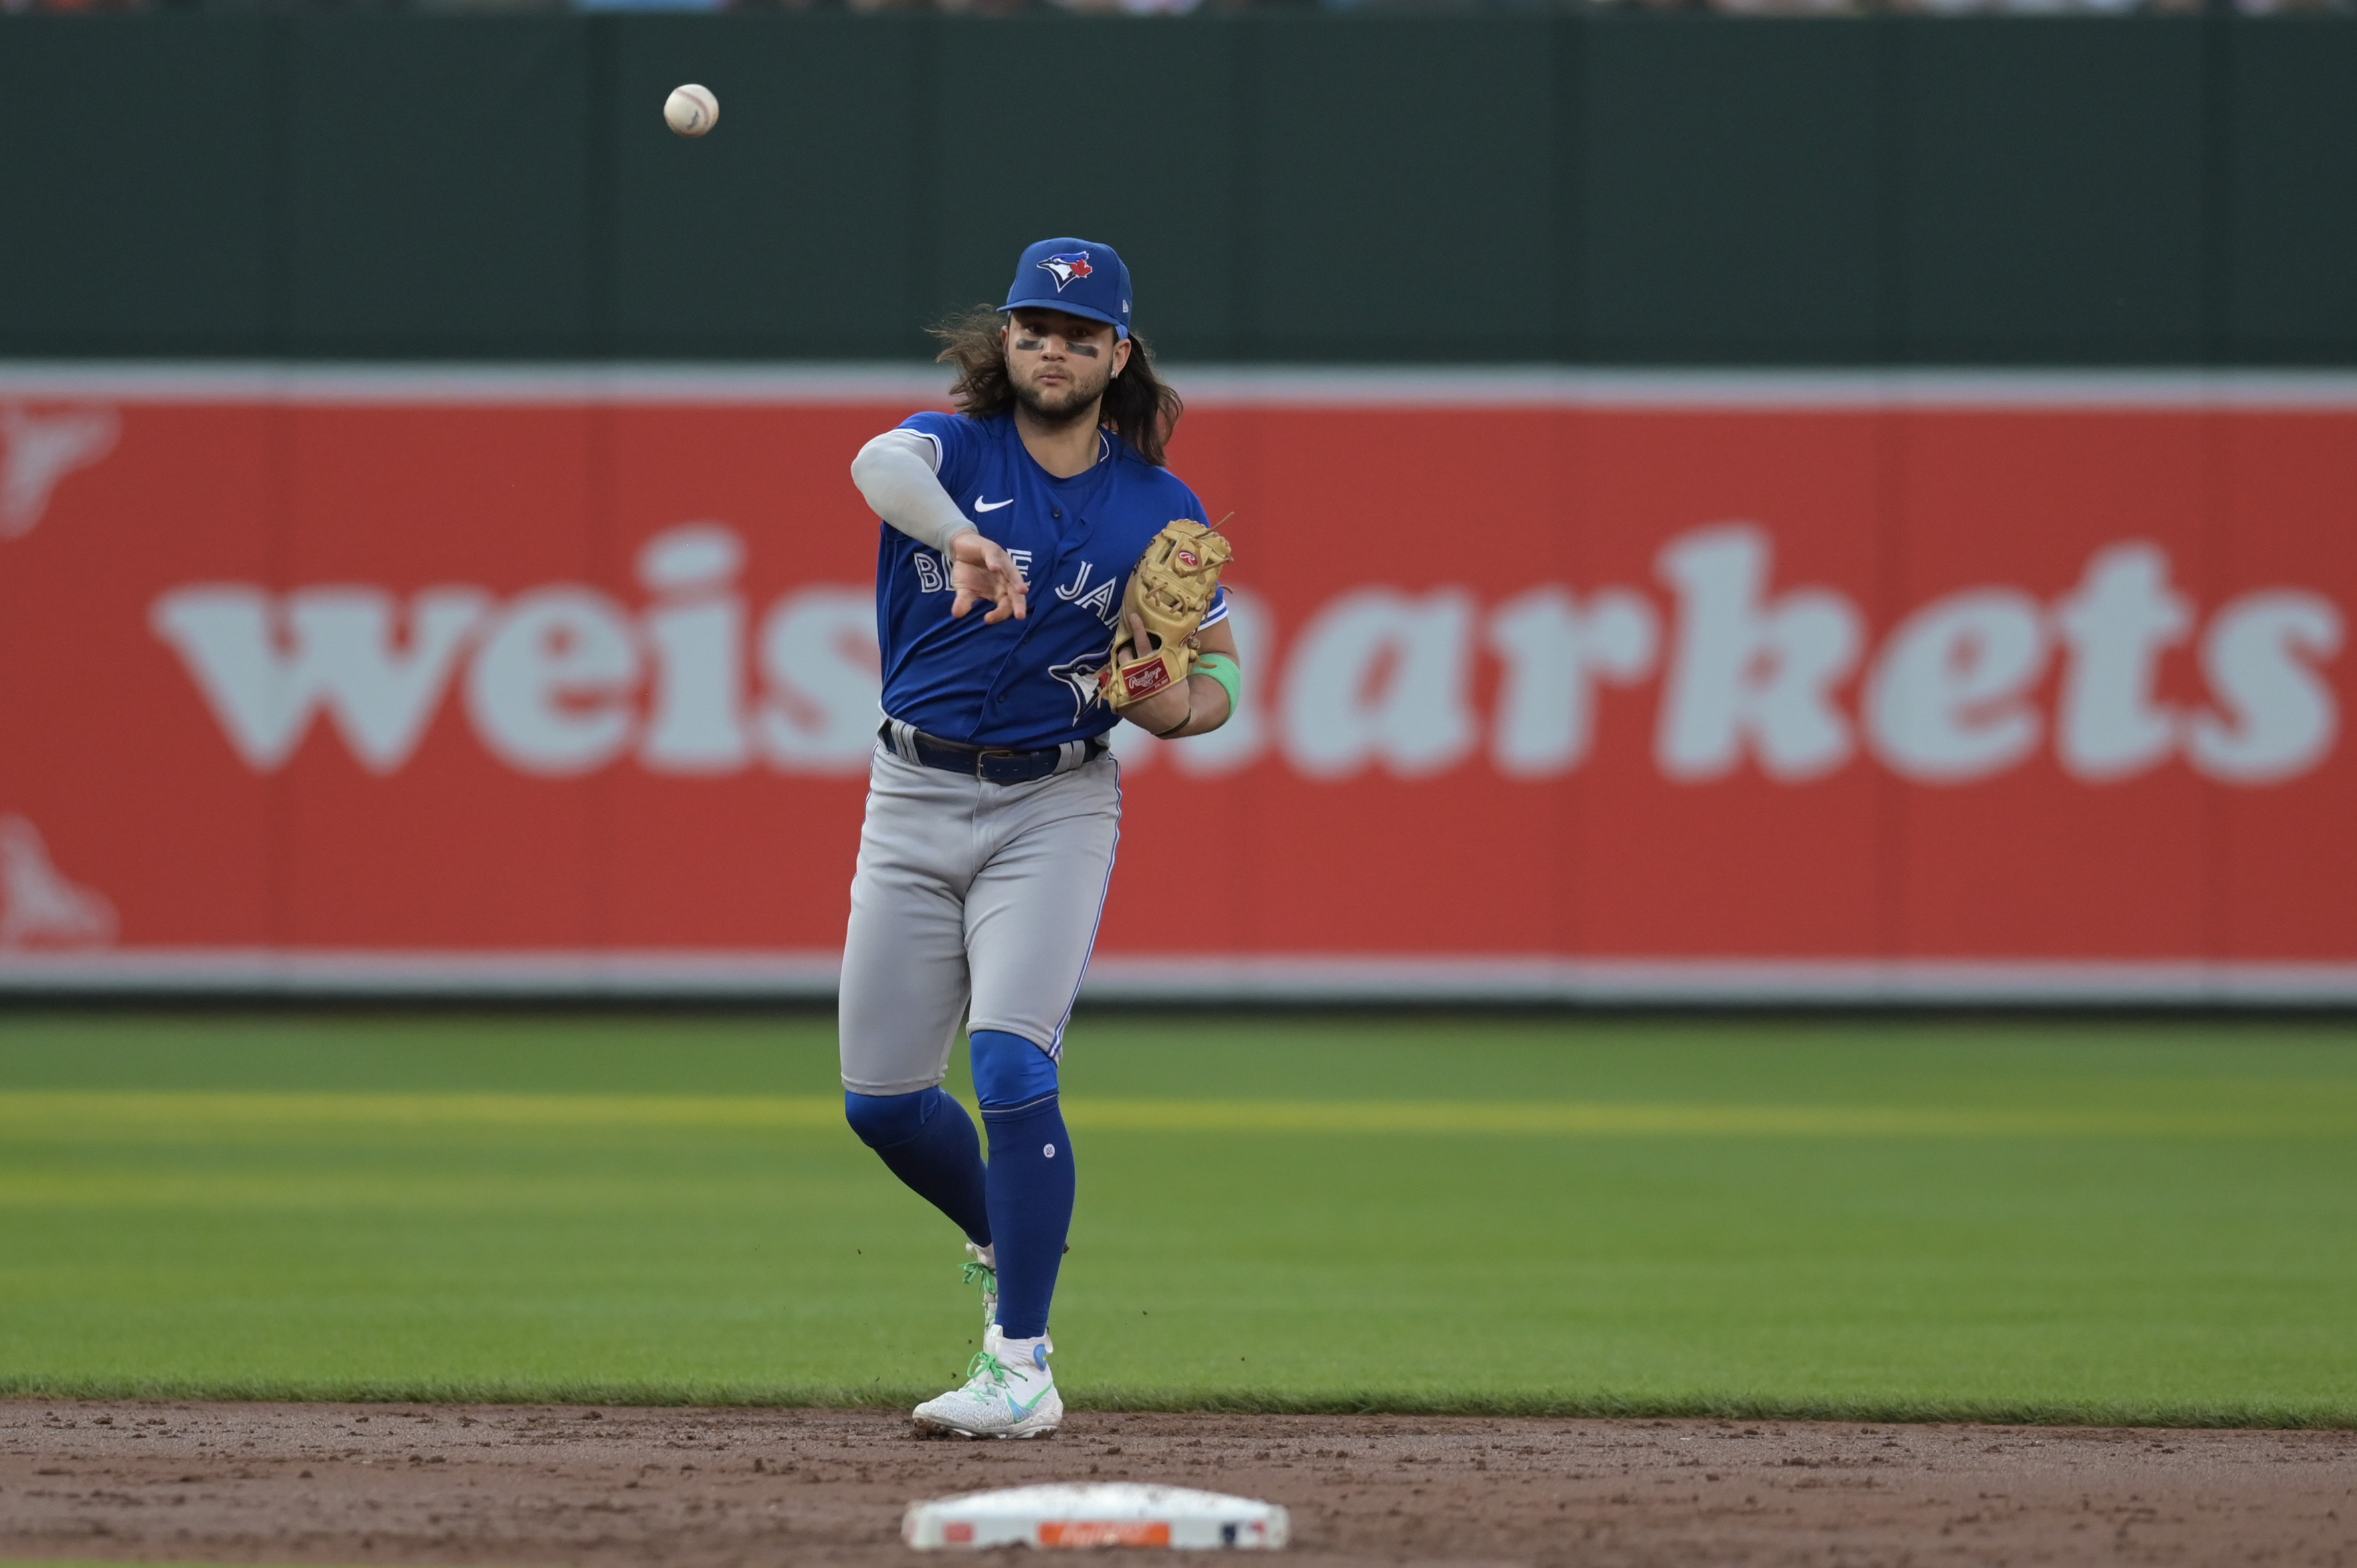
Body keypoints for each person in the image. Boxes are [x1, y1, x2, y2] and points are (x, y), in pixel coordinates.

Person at [840, 237, 1242, 1438]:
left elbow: (1216, 677)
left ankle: (1021, 1364)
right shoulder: (947, 452)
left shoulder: (1160, 508)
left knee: (1013, 1065)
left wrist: (1175, 706)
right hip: (908, 794)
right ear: (1003, 343)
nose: (1053, 350)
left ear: (1119, 355)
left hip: (1053, 802)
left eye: (1079, 335)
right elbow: (876, 463)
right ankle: (998, 1223)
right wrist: (960, 534)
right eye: (1034, 329)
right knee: (885, 1105)